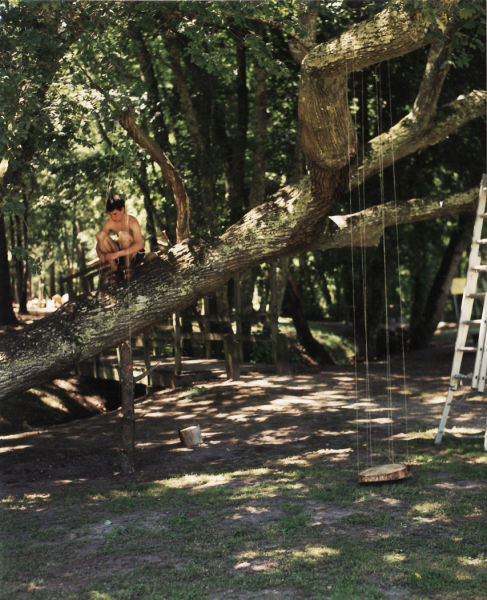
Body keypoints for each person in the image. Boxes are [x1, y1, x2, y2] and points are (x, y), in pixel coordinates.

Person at [96, 194, 145, 283]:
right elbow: (99, 243)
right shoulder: (109, 223)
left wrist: (117, 254)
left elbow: (139, 245)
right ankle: (115, 269)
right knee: (100, 235)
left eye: (115, 214)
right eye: (110, 215)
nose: (113, 217)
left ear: (122, 209)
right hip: (120, 255)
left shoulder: (132, 221)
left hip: (134, 254)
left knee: (123, 235)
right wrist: (101, 255)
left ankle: (128, 266)